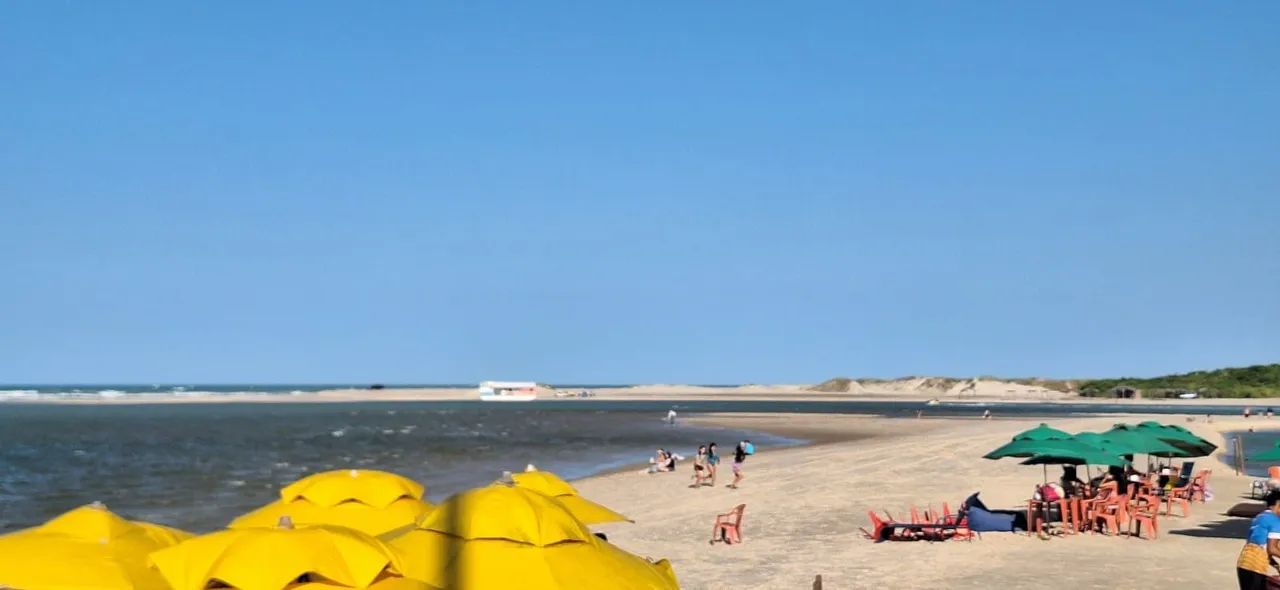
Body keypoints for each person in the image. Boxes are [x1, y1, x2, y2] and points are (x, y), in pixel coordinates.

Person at [1238, 490, 1280, 589]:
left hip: (1244, 563)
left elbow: (1258, 546)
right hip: (1255, 566)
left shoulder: (1259, 518)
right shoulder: (1275, 521)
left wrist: (1276, 565)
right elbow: (1272, 548)